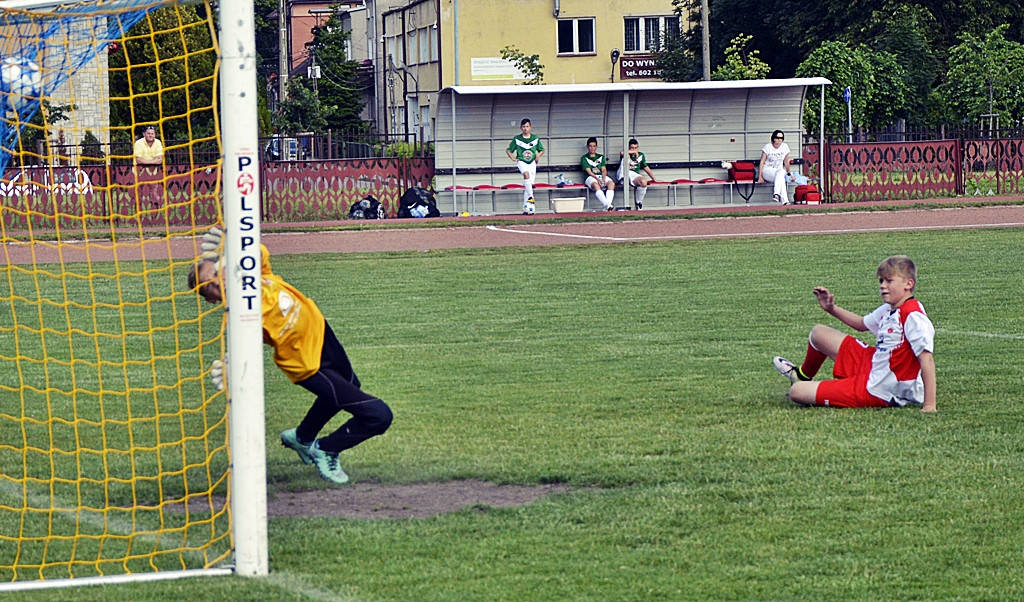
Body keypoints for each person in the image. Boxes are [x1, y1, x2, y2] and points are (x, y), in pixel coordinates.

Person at [187, 228, 393, 484]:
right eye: (211, 286)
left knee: (351, 386)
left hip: (323, 336)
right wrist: (234, 365)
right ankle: (326, 448)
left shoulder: (255, 275)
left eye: (217, 273)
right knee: (379, 415)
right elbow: (244, 345)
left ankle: (302, 437)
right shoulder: (240, 315)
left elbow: (259, 252)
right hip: (309, 365)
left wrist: (233, 248)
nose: (219, 282)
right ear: (211, 300)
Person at [772, 255, 936, 412]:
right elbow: (861, 324)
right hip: (873, 364)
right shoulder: (890, 308)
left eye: (889, 280)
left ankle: (820, 387)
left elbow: (926, 359)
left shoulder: (913, 315)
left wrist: (930, 405)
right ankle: (802, 375)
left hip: (879, 388)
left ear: (908, 284)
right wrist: (831, 308)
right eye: (881, 280)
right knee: (818, 333)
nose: (883, 285)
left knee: (797, 391)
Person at [505, 118, 544, 213]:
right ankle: (531, 196)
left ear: (530, 127)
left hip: (532, 163)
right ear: (521, 128)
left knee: (529, 184)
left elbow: (541, 150)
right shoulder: (517, 139)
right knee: (526, 174)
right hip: (522, 161)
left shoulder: (535, 138)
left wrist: (538, 156)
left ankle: (526, 208)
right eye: (523, 127)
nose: (525, 128)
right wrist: (513, 158)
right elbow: (509, 150)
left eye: (527, 126)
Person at [616, 138, 655, 210]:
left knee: (644, 182)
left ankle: (639, 202)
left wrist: (654, 179)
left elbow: (645, 167)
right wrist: (634, 152)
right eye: (632, 148)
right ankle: (622, 180)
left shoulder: (641, 155)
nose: (634, 149)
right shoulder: (625, 153)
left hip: (634, 175)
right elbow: (622, 153)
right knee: (627, 156)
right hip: (623, 173)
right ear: (628, 147)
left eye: (636, 148)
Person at [757, 129, 792, 204]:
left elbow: (786, 162)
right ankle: (780, 196)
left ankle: (782, 199)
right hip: (767, 171)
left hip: (779, 172)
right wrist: (760, 176)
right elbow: (762, 162)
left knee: (781, 175)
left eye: (781, 138)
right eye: (777, 138)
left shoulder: (784, 146)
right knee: (781, 175)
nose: (779, 140)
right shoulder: (767, 147)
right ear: (773, 138)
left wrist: (789, 174)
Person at [581, 137, 616, 211]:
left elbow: (604, 169)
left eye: (594, 146)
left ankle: (607, 206)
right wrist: (597, 179)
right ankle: (607, 205)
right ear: (587, 147)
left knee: (611, 184)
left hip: (601, 176)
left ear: (596, 146)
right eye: (590, 146)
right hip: (590, 177)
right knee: (595, 185)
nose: (592, 148)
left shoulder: (601, 157)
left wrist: (603, 178)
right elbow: (589, 171)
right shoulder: (584, 158)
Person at [133, 125, 164, 208]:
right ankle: (138, 210)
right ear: (144, 134)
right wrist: (153, 162)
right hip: (139, 171)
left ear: (155, 135)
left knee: (154, 192)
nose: (150, 135)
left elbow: (160, 160)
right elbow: (138, 160)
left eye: (152, 134)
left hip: (153, 172)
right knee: (139, 192)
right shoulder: (138, 143)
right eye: (148, 133)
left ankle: (155, 210)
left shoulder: (158, 142)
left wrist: (147, 162)